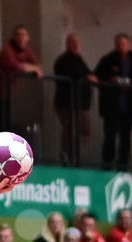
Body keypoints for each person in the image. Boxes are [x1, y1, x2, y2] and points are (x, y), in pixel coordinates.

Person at [94, 33, 132, 170]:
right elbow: (97, 76)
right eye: (119, 44)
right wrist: (112, 80)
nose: (121, 47)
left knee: (126, 137)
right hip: (112, 105)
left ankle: (123, 165)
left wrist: (130, 84)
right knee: (110, 136)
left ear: (128, 45)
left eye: (124, 44)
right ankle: (107, 164)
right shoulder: (108, 59)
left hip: (129, 105)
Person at [0, 25, 43, 136]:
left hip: (4, 93)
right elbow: (16, 66)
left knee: (5, 125)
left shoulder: (26, 51)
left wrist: (30, 66)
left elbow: (38, 65)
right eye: (17, 35)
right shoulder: (7, 50)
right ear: (13, 37)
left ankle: (3, 151)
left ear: (28, 38)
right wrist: (29, 67)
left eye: (23, 35)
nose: (20, 37)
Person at [53, 33, 95, 165]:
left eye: (77, 43)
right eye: (73, 43)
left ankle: (75, 155)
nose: (76, 46)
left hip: (81, 104)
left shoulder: (80, 60)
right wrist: (86, 77)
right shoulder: (63, 60)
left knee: (85, 131)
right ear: (68, 45)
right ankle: (67, 156)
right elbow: (71, 74)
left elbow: (87, 74)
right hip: (67, 103)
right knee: (70, 129)